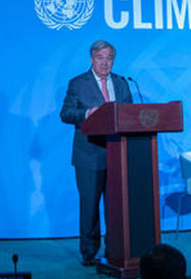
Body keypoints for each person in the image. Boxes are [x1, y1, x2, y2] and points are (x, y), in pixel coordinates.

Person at [59, 40, 133, 266]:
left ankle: (116, 250)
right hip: (89, 154)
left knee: (116, 208)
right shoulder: (78, 83)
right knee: (90, 206)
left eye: (109, 58)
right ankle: (89, 253)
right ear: (92, 59)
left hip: (117, 155)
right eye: (100, 58)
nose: (104, 62)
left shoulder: (121, 83)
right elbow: (66, 113)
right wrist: (87, 113)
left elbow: (130, 113)